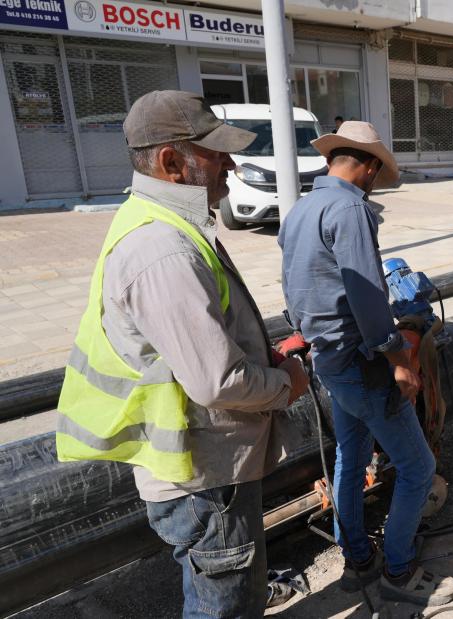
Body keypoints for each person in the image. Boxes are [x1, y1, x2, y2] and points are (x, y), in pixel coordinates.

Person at [54, 90, 310, 618]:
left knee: (223, 596)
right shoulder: (163, 248)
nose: (231, 165)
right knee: (226, 607)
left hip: (202, 472)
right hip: (204, 479)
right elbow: (218, 382)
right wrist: (287, 382)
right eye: (216, 153)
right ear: (172, 162)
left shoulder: (166, 226)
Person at [278, 121, 453, 607]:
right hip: (362, 363)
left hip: (329, 361)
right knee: (417, 468)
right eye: (377, 172)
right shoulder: (349, 208)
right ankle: (399, 571)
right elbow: (364, 292)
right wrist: (398, 357)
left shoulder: (300, 210)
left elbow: (294, 289)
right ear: (369, 165)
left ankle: (358, 559)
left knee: (351, 456)